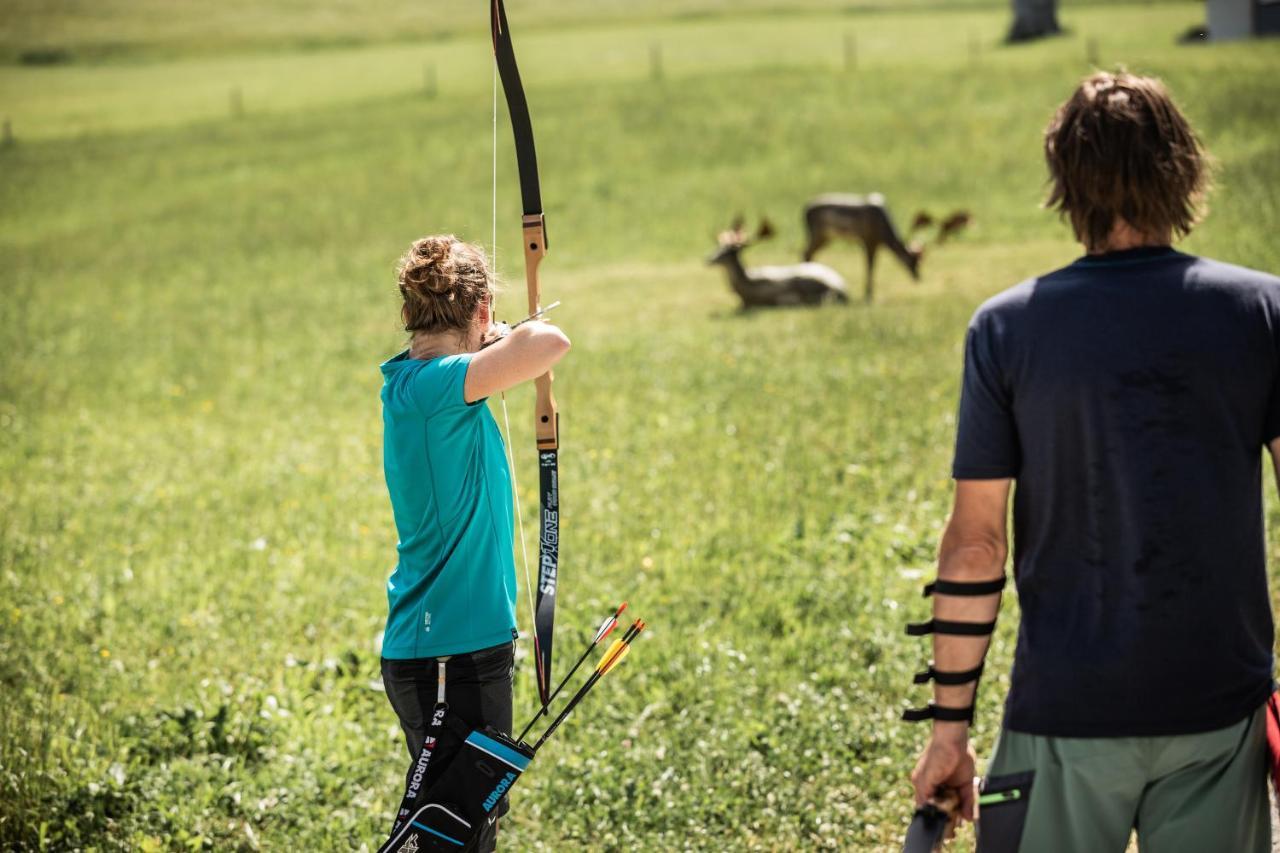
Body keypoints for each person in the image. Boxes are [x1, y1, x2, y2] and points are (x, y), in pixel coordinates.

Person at [906, 71, 1280, 852]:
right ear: (1182, 171)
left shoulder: (1006, 329)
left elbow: (976, 543)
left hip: (1066, 711)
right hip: (1220, 711)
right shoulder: (1262, 311)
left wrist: (949, 732)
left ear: (1066, 186)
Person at [377, 235, 570, 850]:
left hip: (459, 650)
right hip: (447, 655)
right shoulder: (431, 388)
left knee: (465, 825)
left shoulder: (431, 388)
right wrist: (508, 334)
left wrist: (492, 339)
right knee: (448, 834)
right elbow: (550, 344)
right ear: (480, 308)